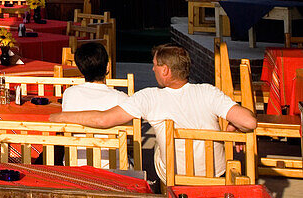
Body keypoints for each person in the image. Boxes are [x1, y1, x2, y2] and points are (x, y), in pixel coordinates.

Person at [51, 44, 256, 181]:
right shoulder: (209, 92)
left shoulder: (149, 97)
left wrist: (61, 116)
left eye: (155, 65)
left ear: (165, 70)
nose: (152, 70)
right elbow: (249, 122)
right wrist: (234, 125)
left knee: (155, 150)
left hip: (174, 178)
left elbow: (103, 120)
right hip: (215, 174)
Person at [60, 41, 126, 167]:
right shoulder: (120, 98)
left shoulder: (69, 94)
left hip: (75, 164)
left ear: (80, 69)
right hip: (110, 167)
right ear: (108, 67)